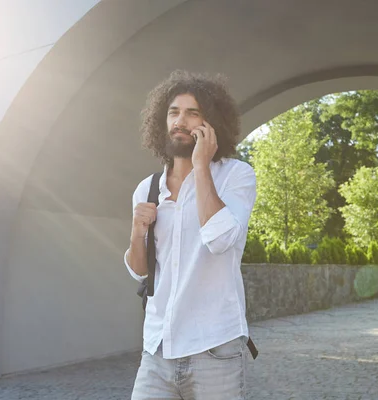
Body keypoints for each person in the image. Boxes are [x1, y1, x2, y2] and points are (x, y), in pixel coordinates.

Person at [124, 70, 257, 399]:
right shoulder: (147, 188)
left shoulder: (236, 176)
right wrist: (137, 231)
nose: (180, 121)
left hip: (215, 349)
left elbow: (220, 239)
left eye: (192, 113)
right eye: (173, 112)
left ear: (211, 124)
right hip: (157, 348)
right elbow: (139, 269)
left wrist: (201, 167)